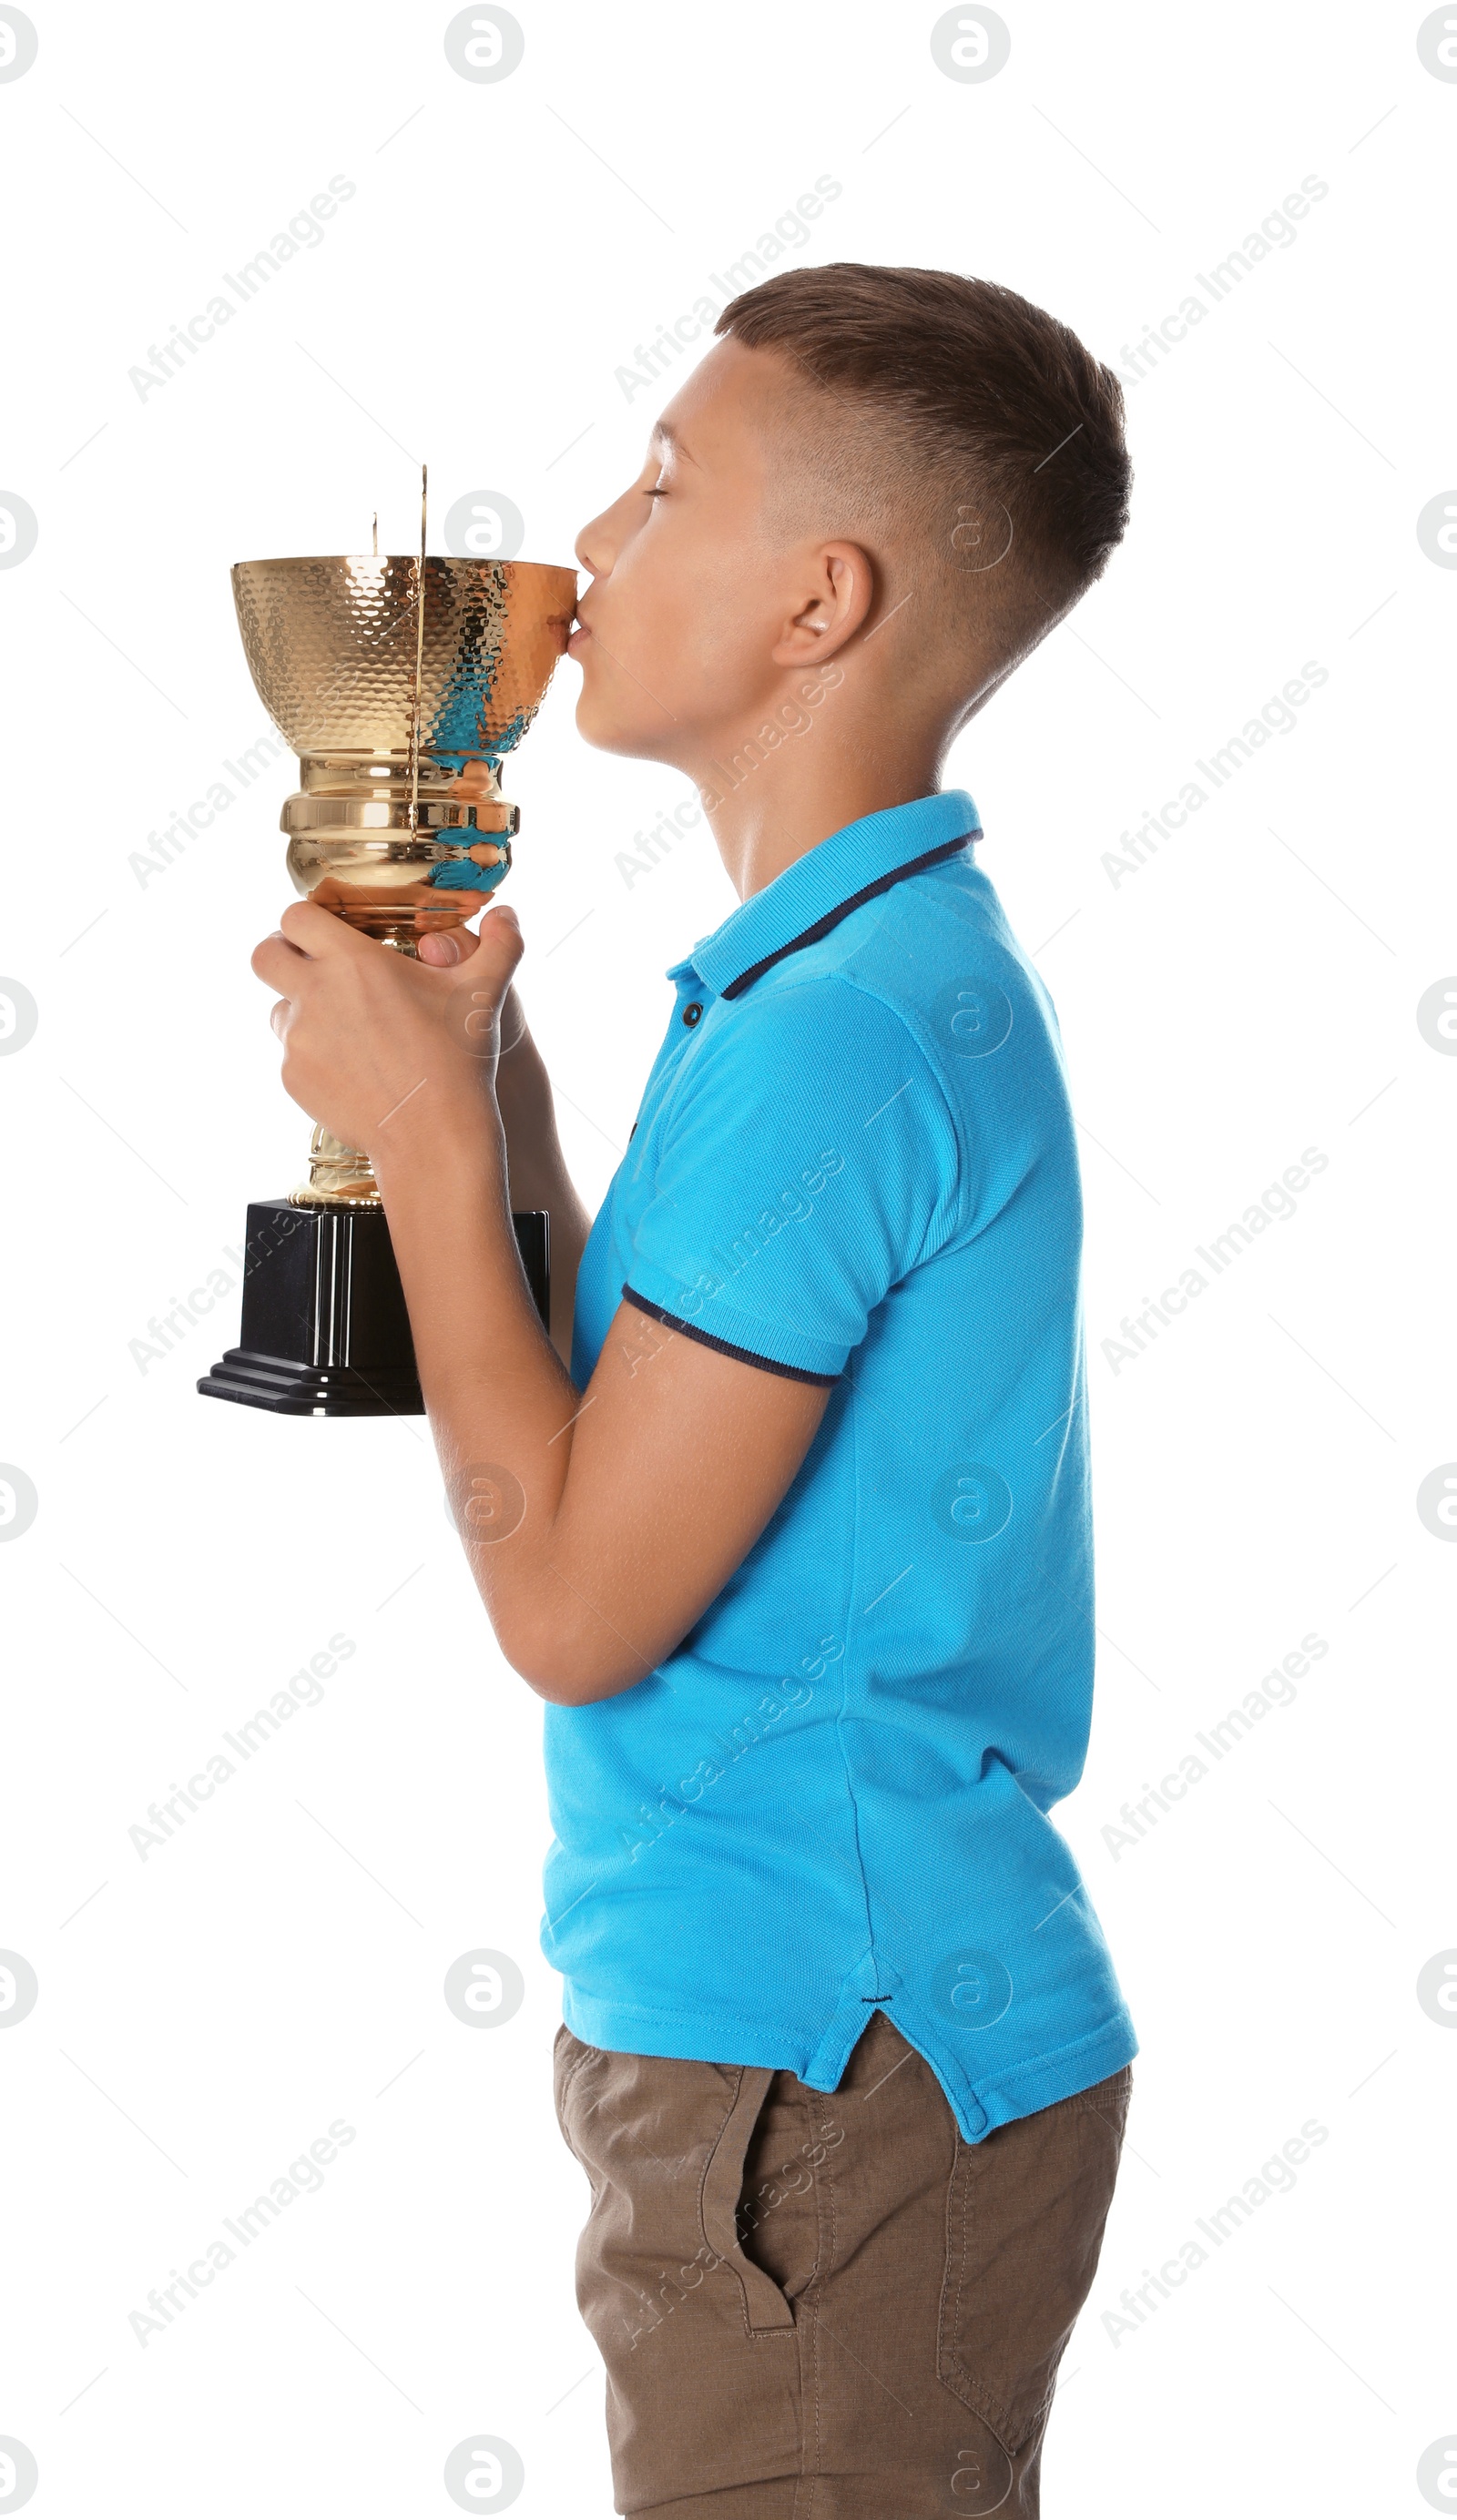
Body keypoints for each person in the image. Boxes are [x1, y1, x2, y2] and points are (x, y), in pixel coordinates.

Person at [251, 261, 1139, 2517]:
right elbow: (613, 1425)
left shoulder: (837, 1035)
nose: (592, 540)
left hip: (821, 2069)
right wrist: (493, 1093)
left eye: (662, 486)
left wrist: (437, 1160)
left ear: (814, 603)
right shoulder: (826, 983)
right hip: (808, 2046)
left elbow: (572, 1601)